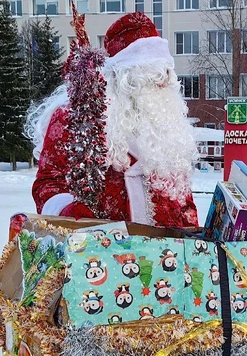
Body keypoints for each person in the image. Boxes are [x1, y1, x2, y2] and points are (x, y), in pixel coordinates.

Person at [27, 12, 199, 228]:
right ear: (126, 78)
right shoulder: (77, 118)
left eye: (167, 73)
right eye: (155, 75)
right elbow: (48, 184)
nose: (164, 83)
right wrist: (71, 213)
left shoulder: (168, 127)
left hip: (166, 254)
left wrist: (195, 237)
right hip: (101, 253)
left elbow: (183, 197)